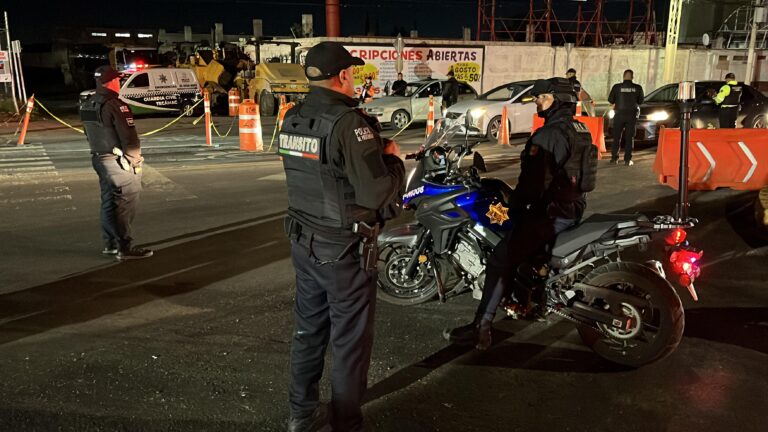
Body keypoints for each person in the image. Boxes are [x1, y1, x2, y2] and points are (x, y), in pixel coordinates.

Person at [280, 41, 405, 432]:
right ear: (344, 75)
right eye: (352, 72)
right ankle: (346, 423)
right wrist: (394, 160)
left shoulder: (293, 117)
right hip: (343, 249)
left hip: (303, 241)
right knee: (350, 342)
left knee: (308, 331)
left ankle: (301, 414)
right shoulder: (349, 123)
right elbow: (375, 194)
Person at [443, 78, 592, 350]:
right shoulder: (579, 129)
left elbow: (533, 185)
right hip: (573, 207)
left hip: (551, 214)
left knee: (501, 258)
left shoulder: (548, 135)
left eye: (542, 97)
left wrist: (512, 207)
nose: (537, 101)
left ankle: (481, 328)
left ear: (558, 100)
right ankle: (526, 297)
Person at [79, 65, 152, 260]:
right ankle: (124, 247)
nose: (119, 83)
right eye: (118, 80)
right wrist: (134, 162)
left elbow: (88, 133)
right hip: (118, 161)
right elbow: (129, 138)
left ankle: (110, 244)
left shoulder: (88, 104)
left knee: (109, 202)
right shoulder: (115, 105)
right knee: (125, 203)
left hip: (99, 158)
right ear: (111, 82)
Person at [608, 69, 644, 166]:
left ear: (623, 76)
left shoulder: (616, 87)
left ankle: (614, 159)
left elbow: (610, 100)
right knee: (629, 138)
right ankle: (627, 160)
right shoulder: (638, 88)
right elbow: (641, 101)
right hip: (631, 116)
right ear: (632, 77)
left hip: (619, 115)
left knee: (616, 137)